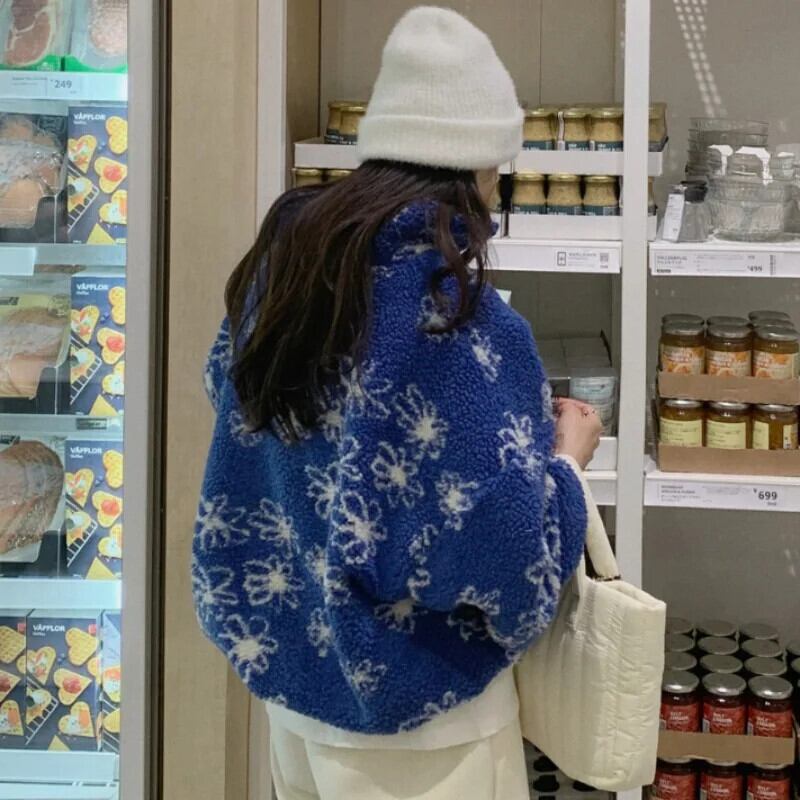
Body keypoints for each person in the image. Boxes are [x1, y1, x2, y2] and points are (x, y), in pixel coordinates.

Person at [194, 6, 601, 800]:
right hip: (423, 722)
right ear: (478, 169)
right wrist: (568, 468)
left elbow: (246, 425)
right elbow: (504, 551)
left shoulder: (285, 281)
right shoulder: (463, 326)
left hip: (294, 692)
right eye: (499, 173)